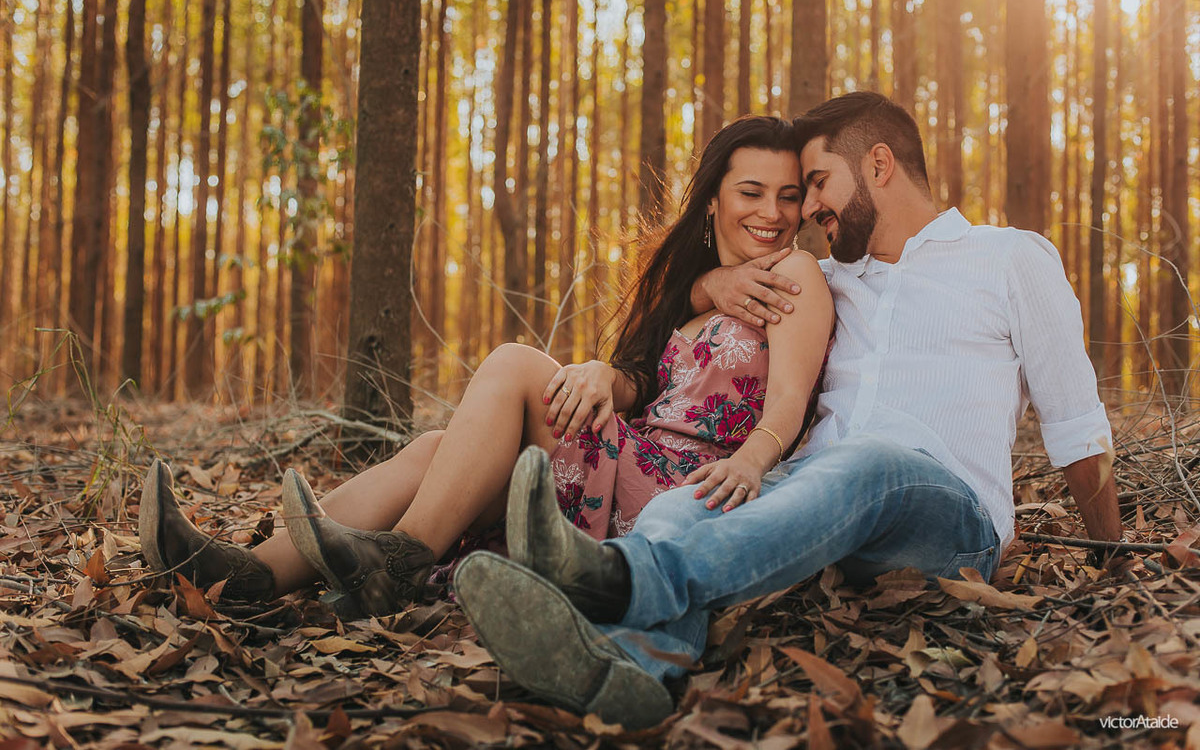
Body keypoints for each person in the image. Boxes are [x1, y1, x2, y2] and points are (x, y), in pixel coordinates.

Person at [451, 92, 1123, 730]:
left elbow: (1074, 421)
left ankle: (612, 580)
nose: (810, 210)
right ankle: (634, 667)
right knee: (686, 503)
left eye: (819, 184)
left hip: (947, 516)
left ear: (879, 165)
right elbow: (700, 291)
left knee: (870, 461)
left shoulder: (1008, 259)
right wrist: (710, 281)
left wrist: (1111, 559)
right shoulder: (830, 279)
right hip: (815, 507)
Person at [138, 115, 834, 620]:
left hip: (688, 493)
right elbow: (645, 383)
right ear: (713, 198)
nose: (771, 211)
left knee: (512, 363)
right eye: (751, 191)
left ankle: (404, 558)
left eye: (787, 195)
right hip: (632, 460)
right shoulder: (689, 285)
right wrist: (608, 368)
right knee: (436, 449)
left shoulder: (798, 271)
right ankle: (251, 574)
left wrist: (752, 461)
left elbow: (791, 402)